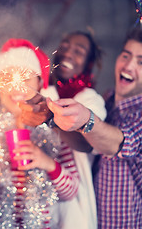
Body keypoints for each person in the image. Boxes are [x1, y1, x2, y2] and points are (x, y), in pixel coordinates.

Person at [0, 39, 80, 228]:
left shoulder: (54, 130)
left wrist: (47, 162)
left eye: (26, 78)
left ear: (39, 84)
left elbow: (71, 192)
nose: (16, 88)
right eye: (7, 78)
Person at [47, 26, 142, 228]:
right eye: (126, 56)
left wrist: (85, 120)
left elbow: (119, 143)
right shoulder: (107, 98)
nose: (129, 66)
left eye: (141, 62)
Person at [35, 30, 106, 229]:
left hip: (75, 205)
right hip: (39, 200)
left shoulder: (90, 99)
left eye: (79, 51)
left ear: (88, 63)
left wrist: (49, 119)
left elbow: (88, 142)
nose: (67, 53)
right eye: (64, 46)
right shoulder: (44, 92)